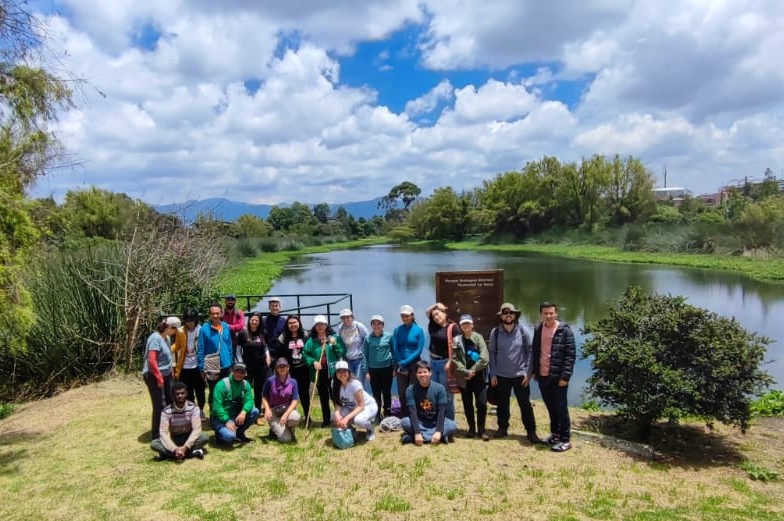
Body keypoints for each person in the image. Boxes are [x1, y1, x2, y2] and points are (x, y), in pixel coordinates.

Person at [488, 302, 539, 443]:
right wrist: (493, 373)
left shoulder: (524, 332)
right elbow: (492, 353)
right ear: (501, 316)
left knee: (525, 405)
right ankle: (502, 428)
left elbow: (530, 352)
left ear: (515, 315)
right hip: (501, 376)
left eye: (511, 313)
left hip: (520, 376)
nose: (508, 315)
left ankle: (531, 431)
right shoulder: (496, 332)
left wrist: (528, 373)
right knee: (502, 404)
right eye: (505, 313)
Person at [532, 301, 576, 452]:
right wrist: (534, 371)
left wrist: (565, 377)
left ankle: (565, 439)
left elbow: (570, 356)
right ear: (541, 314)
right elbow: (535, 351)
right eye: (545, 313)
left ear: (556, 313)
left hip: (558, 377)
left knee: (561, 408)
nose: (549, 316)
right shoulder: (538, 328)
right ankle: (555, 434)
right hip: (543, 376)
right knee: (551, 407)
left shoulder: (565, 331)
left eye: (551, 313)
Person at [451, 314, 490, 440]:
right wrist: (465, 371)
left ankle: (482, 430)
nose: (466, 325)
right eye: (463, 324)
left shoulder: (479, 338)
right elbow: (455, 359)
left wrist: (472, 370)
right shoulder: (456, 340)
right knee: (467, 404)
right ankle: (471, 429)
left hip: (479, 376)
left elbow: (485, 358)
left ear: (472, 325)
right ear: (460, 326)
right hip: (464, 378)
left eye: (468, 323)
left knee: (482, 403)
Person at [303, 315, 346, 428]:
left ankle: (339, 417)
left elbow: (341, 353)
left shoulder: (334, 337)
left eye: (322, 324)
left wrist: (335, 344)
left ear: (326, 325)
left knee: (335, 395)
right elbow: (305, 354)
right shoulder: (312, 340)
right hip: (319, 371)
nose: (320, 327)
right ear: (315, 327)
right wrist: (313, 362)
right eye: (318, 325)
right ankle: (326, 419)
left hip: (332, 371)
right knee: (323, 396)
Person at [401, 361, 457, 445]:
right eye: (419, 372)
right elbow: (413, 413)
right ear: (416, 374)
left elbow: (442, 412)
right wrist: (417, 432)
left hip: (436, 422)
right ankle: (439, 437)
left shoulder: (440, 388)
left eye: (425, 372)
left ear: (430, 373)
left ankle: (419, 437)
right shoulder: (410, 390)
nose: (422, 375)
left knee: (452, 425)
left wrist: (438, 431)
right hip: (420, 422)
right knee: (404, 422)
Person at [151, 382, 209, 460]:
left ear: (187, 393)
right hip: (174, 439)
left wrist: (185, 447)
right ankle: (191, 453)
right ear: (173, 395)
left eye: (182, 393)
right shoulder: (166, 411)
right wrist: (174, 449)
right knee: (154, 443)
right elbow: (163, 432)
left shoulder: (193, 408)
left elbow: (196, 430)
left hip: (189, 437)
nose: (180, 396)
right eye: (177, 394)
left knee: (204, 437)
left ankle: (167, 455)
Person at [142, 316, 179, 438]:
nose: (175, 332)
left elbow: (168, 355)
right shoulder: (155, 338)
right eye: (175, 329)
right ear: (169, 327)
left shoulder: (166, 338)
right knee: (159, 404)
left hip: (166, 373)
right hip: (154, 374)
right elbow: (152, 360)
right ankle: (157, 434)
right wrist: (159, 377)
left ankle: (168, 428)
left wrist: (171, 370)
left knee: (170, 400)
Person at [425, 302, 460, 420]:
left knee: (446, 394)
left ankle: (449, 421)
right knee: (432, 392)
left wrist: (451, 361)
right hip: (433, 363)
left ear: (445, 313)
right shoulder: (433, 326)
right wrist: (436, 305)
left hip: (445, 364)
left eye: (438, 314)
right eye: (433, 316)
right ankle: (436, 419)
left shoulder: (453, 327)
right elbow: (427, 312)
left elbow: (458, 348)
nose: (435, 317)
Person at [272, 315, 310, 419]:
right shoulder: (283, 337)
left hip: (303, 368)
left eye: (295, 322)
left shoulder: (306, 334)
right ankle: (290, 415)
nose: (293, 325)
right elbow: (279, 354)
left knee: (304, 393)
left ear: (299, 323)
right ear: (287, 325)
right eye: (290, 323)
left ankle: (307, 416)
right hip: (289, 369)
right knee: (289, 392)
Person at [211, 363, 260, 444]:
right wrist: (227, 421)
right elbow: (217, 407)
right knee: (229, 437)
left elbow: (249, 400)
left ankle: (239, 433)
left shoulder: (246, 384)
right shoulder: (222, 384)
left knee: (255, 411)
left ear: (245, 374)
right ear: (232, 371)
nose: (239, 374)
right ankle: (219, 433)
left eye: (242, 372)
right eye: (237, 371)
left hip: (236, 415)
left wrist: (244, 412)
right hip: (221, 418)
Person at [197, 302, 233, 410]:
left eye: (217, 313)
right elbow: (200, 349)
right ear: (210, 315)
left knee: (227, 389)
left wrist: (231, 362)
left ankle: (225, 412)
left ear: (221, 313)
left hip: (226, 364)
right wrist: (201, 367)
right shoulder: (204, 329)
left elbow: (230, 346)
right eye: (213, 313)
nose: (215, 316)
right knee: (214, 391)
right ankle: (214, 414)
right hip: (211, 364)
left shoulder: (226, 327)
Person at [331, 360, 378, 441]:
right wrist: (338, 414)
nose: (342, 374)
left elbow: (361, 406)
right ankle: (350, 430)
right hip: (352, 407)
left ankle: (370, 429)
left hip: (368, 407)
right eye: (339, 371)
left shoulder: (355, 384)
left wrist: (347, 418)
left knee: (358, 420)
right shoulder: (334, 383)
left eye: (344, 371)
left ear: (348, 372)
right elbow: (338, 403)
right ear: (336, 373)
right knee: (334, 416)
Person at [391, 304, 425, 414]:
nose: (405, 318)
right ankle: (405, 414)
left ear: (412, 315)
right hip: (401, 364)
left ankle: (418, 412)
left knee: (416, 389)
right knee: (402, 391)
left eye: (407, 316)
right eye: (403, 316)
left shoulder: (419, 330)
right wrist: (400, 362)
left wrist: (406, 361)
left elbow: (419, 350)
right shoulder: (397, 330)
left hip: (414, 363)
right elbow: (395, 348)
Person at [237, 312, 270, 423]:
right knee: (246, 390)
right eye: (252, 319)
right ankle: (245, 412)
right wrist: (241, 364)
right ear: (249, 320)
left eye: (257, 320)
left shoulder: (264, 332)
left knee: (258, 390)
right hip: (247, 366)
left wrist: (268, 356)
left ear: (259, 322)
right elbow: (238, 350)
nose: (254, 322)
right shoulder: (243, 333)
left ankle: (257, 414)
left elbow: (265, 346)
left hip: (261, 366)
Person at [173, 309, 206, 417]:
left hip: (198, 366)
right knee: (188, 391)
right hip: (185, 366)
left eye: (191, 321)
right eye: (187, 321)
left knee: (200, 390)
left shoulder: (201, 330)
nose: (189, 323)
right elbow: (177, 345)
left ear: (195, 320)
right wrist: (167, 350)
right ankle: (192, 410)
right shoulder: (180, 331)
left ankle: (201, 409)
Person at [261, 358, 301, 443]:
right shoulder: (270, 381)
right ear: (276, 368)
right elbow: (264, 396)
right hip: (274, 412)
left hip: (287, 409)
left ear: (288, 368)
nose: (282, 368)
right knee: (286, 439)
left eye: (284, 366)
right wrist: (267, 409)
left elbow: (295, 400)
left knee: (296, 417)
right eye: (280, 367)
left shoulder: (293, 382)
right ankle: (275, 430)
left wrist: (286, 415)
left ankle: (288, 429)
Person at [364, 314, 394, 422]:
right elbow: (365, 356)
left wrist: (394, 368)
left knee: (386, 391)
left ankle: (387, 411)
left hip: (387, 368)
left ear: (383, 325)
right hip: (373, 369)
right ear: (371, 325)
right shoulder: (368, 338)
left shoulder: (389, 336)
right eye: (374, 324)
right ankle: (377, 413)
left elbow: (393, 352)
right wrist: (366, 371)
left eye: (379, 323)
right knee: (376, 392)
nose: (376, 326)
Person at [337, 308, 370, 386]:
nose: (346, 319)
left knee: (358, 383)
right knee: (349, 383)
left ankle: (360, 398)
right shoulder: (341, 328)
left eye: (348, 317)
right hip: (348, 359)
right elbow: (340, 343)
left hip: (360, 359)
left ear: (352, 317)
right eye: (343, 318)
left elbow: (368, 339)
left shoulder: (359, 326)